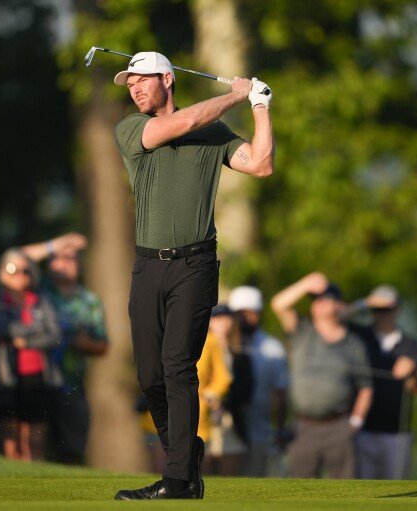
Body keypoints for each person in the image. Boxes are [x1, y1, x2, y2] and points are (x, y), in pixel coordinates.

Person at [111, 51, 274, 500]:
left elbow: (261, 164)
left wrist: (259, 105)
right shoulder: (131, 129)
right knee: (149, 377)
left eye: (141, 80)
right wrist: (234, 95)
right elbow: (177, 127)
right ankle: (186, 455)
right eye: (129, 84)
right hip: (148, 266)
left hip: (196, 266)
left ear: (168, 78)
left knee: (178, 366)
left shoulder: (213, 133)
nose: (134, 89)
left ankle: (178, 478)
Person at [271, 272, 373, 479]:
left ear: (339, 305)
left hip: (340, 427)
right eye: (315, 300)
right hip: (304, 427)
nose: (318, 304)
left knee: (344, 492)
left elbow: (366, 387)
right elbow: (278, 304)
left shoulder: (354, 344)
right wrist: (306, 284)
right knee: (300, 492)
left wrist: (355, 422)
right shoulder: (301, 330)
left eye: (324, 299)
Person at [22, 233, 109, 465]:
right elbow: (18, 258)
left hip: (72, 385)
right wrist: (56, 244)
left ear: (80, 265)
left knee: (71, 451)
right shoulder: (37, 290)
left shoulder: (90, 301)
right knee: (32, 446)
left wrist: (84, 344)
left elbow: (103, 345)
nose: (65, 263)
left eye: (71, 258)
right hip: (35, 381)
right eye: (59, 258)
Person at [0, 248, 62, 461]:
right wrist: (35, 330)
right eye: (12, 270)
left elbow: (54, 336)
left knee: (34, 441)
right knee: (11, 440)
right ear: (1, 273)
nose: (20, 275)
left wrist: (24, 341)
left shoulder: (41, 301)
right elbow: (1, 330)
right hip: (6, 376)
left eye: (25, 270)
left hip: (37, 376)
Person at [349, 285, 417, 480]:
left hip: (397, 433)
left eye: (387, 308)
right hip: (363, 429)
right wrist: (365, 302)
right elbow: (335, 317)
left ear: (398, 309)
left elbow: (416, 389)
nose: (383, 314)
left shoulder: (411, 344)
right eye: (378, 309)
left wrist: (413, 371)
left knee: (397, 492)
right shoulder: (359, 337)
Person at [228, 285, 290, 477]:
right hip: (226, 432)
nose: (246, 318)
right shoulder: (216, 343)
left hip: (258, 433)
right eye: (241, 313)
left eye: (251, 313)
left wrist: (279, 432)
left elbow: (281, 394)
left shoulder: (272, 347)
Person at [201, 304, 238, 475]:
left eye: (225, 318)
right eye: (217, 319)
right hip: (205, 410)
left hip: (228, 413)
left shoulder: (237, 349)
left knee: (228, 462)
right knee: (205, 461)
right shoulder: (203, 344)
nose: (222, 323)